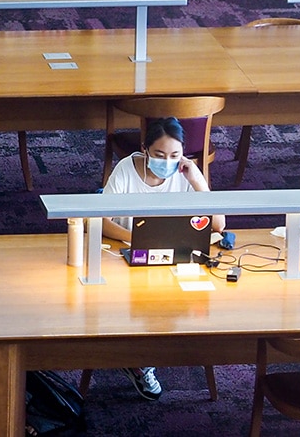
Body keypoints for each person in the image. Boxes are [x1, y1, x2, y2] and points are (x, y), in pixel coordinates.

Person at [101, 116, 224, 401]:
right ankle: (141, 360)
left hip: (172, 257)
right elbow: (100, 219)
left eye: (174, 155)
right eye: (159, 155)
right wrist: (137, 239)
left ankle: (145, 355)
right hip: (125, 253)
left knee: (193, 300)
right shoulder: (126, 170)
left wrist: (196, 180)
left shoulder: (186, 173)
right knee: (147, 299)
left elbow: (218, 224)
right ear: (145, 150)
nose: (167, 161)